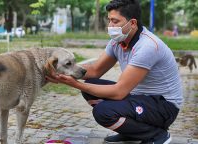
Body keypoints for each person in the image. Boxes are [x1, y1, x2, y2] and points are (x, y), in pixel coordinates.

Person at [46, 0, 183, 143]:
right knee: (91, 85)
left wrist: (75, 84)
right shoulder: (117, 41)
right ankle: (132, 132)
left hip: (164, 107)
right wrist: (64, 69)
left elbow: (119, 92)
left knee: (103, 112)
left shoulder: (148, 46)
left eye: (115, 21)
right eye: (109, 20)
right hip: (139, 98)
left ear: (133, 23)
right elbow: (95, 70)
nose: (110, 26)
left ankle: (156, 135)